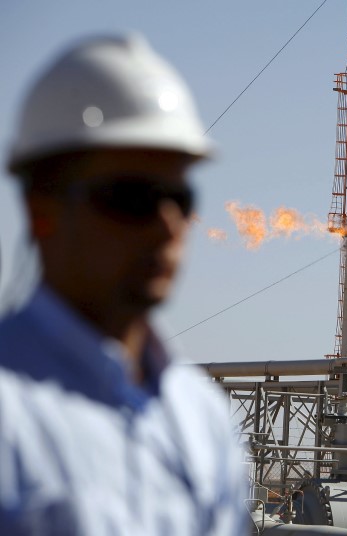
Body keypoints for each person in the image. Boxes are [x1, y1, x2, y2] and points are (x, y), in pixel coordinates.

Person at [0, 34, 249, 535]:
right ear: (41, 210)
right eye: (131, 196)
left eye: (179, 197)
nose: (167, 225)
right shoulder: (13, 412)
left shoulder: (202, 421)